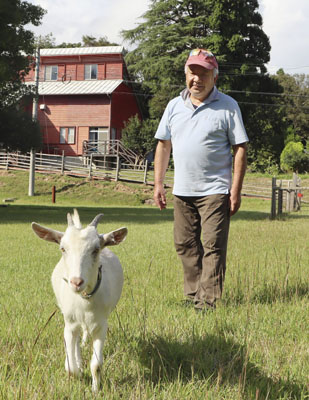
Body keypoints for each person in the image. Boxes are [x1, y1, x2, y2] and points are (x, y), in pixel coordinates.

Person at [153, 48, 248, 311]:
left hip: (215, 191)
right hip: (182, 190)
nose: (197, 79)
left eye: (203, 73)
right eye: (192, 72)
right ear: (186, 74)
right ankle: (193, 295)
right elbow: (163, 145)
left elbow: (240, 148)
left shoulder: (228, 106)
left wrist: (235, 190)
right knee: (184, 245)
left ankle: (207, 302)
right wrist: (159, 183)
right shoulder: (174, 106)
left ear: (214, 77)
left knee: (213, 246)